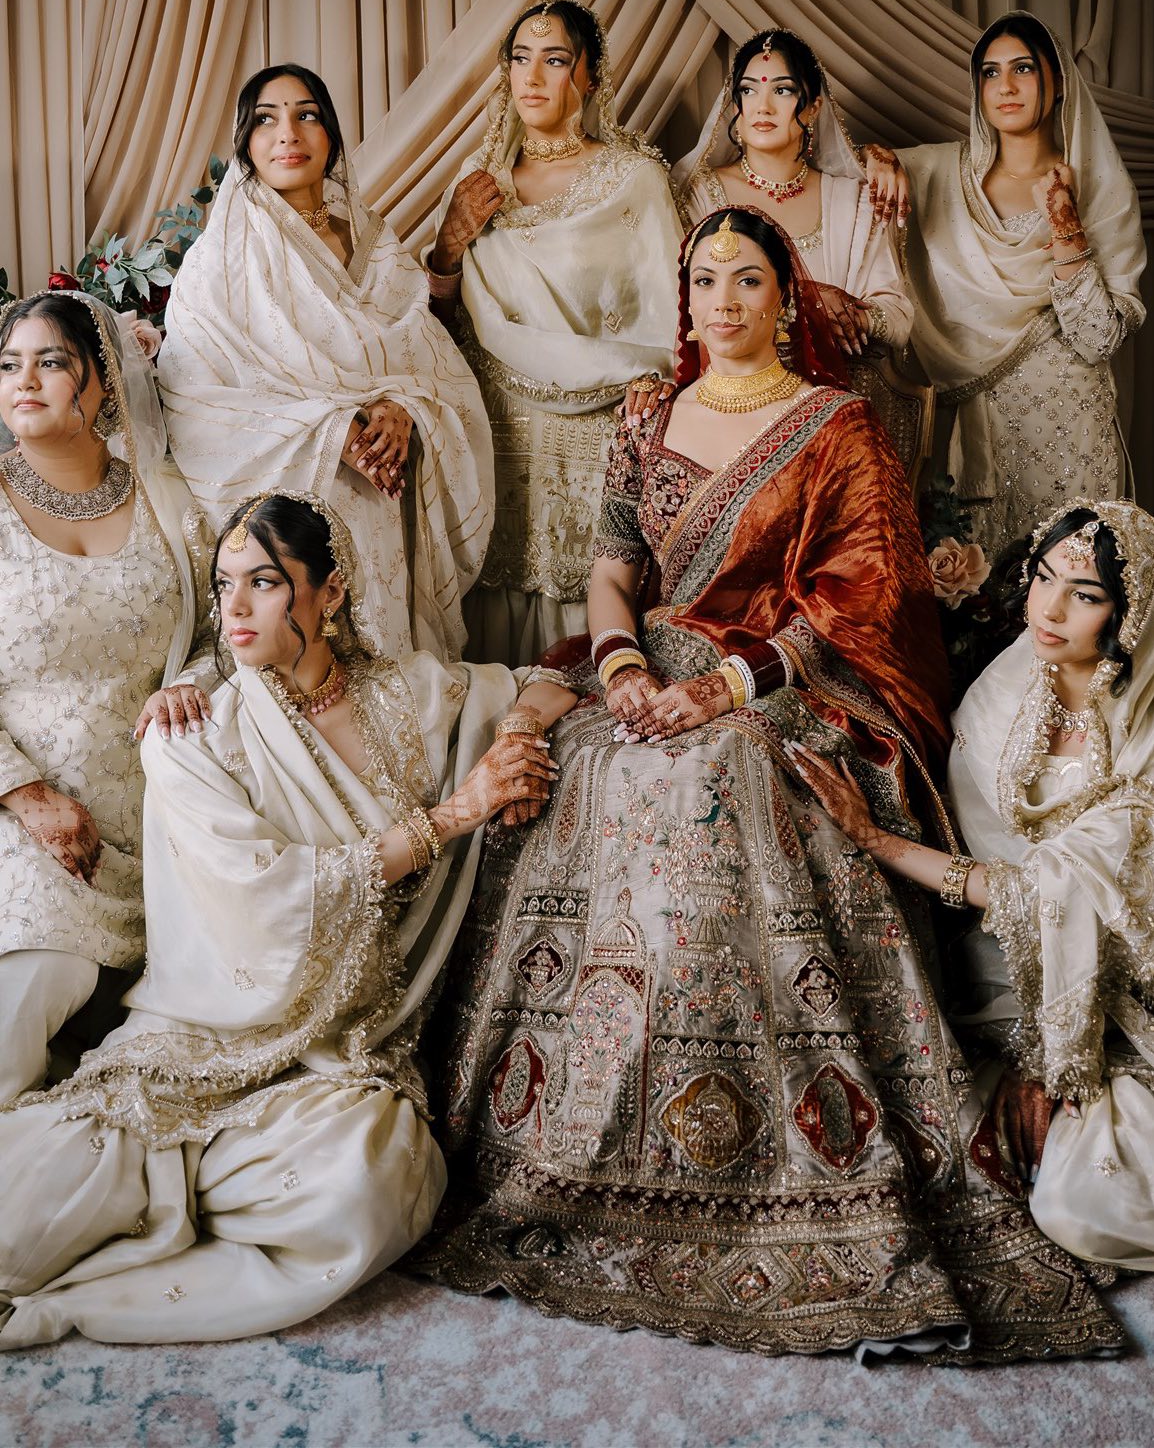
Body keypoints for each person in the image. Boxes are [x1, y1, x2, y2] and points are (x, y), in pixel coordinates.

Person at [410, 212, 1119, 1360]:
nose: (722, 296)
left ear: (784, 296)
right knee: (569, 763)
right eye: (703, 277)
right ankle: (555, 1139)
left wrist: (731, 685)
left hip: (789, 684)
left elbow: (870, 594)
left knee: (725, 776)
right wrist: (626, 664)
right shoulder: (645, 412)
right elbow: (608, 572)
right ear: (682, 293)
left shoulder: (836, 424)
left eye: (748, 277)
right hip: (646, 666)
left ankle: (766, 1152)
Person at [0, 493, 554, 1347]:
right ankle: (147, 1195)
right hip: (199, 1048)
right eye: (224, 586)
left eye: (265, 582)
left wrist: (517, 726)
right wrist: (453, 815)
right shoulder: (190, 736)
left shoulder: (407, 694)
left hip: (335, 1060)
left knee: (377, 1181)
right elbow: (272, 901)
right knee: (16, 1220)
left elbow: (554, 675)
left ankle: (84, 1298)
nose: (235, 609)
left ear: (328, 593)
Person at [792, 498, 1154, 1274]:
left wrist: (877, 840)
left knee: (1083, 1206)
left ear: (1127, 614)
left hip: (1127, 989)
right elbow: (1004, 867)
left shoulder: (1144, 721)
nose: (1050, 609)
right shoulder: (1008, 686)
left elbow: (1069, 889)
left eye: (1086, 596)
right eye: (1044, 578)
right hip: (1009, 974)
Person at [158, 64, 493, 662]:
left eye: (306, 115)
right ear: (246, 143)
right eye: (266, 120)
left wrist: (404, 410)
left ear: (331, 137)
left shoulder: (375, 241)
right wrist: (333, 432)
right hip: (295, 485)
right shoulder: (221, 258)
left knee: (393, 678)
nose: (288, 133)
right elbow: (194, 395)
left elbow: (429, 362)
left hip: (391, 481)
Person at [0, 291, 209, 1102]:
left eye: (52, 361)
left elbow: (223, 634)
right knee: (31, 986)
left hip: (158, 828)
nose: (26, 381)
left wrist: (186, 686)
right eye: (10, 364)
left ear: (104, 384)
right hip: (26, 826)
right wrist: (26, 794)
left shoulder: (169, 504)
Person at [427, 0, 682, 665]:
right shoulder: (476, 184)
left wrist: (652, 384)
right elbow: (436, 329)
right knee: (494, 607)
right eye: (519, 59)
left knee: (588, 610)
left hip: (598, 435)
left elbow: (671, 320)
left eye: (555, 59)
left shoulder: (633, 182)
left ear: (590, 77)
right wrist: (449, 246)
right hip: (501, 433)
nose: (532, 77)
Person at [878, 14, 1145, 559]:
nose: (1005, 86)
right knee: (971, 603)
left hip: (1067, 424)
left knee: (1071, 587)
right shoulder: (937, 175)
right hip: (966, 425)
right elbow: (834, 173)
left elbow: (1098, 338)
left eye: (1023, 68)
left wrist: (1067, 226)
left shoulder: (1100, 191)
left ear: (1057, 80)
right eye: (990, 72)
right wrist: (876, 158)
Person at [676, 27, 912, 357]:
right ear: (734, 107)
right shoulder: (700, 195)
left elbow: (898, 317)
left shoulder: (855, 201)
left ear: (814, 107)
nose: (763, 107)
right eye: (748, 91)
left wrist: (853, 317)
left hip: (839, 390)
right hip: (733, 392)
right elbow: (684, 303)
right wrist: (807, 301)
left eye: (783, 90)